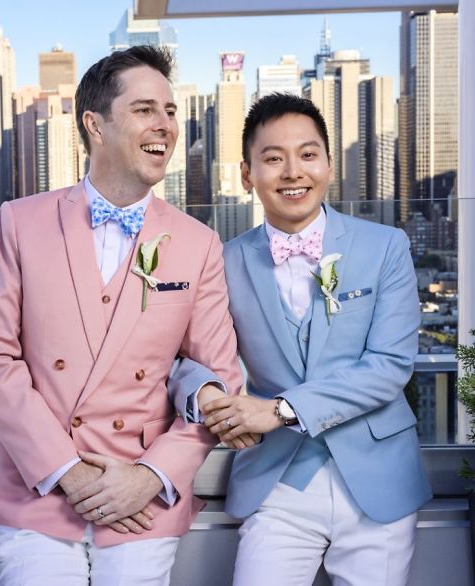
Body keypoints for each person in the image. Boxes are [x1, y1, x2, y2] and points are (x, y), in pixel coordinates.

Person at [0, 45, 247, 585]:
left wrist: (150, 476)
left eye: (170, 111)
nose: (165, 125)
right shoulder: (20, 223)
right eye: (145, 110)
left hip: (141, 498)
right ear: (95, 124)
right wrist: (66, 472)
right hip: (37, 486)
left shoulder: (199, 244)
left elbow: (220, 380)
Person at [171, 93, 432, 585]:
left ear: (329, 165)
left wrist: (277, 410)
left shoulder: (385, 247)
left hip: (379, 479)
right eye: (273, 158)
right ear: (248, 174)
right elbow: (183, 355)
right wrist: (206, 392)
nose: (293, 172)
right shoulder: (221, 260)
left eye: (308, 155)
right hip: (277, 483)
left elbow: (390, 366)